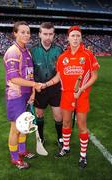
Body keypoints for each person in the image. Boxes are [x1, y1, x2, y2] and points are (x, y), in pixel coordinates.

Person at [43, 26, 100, 168]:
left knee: (81, 125)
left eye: (77, 36)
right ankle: (66, 148)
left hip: (82, 95)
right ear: (68, 38)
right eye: (72, 36)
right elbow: (58, 76)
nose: (75, 38)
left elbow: (94, 76)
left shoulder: (87, 55)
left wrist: (82, 89)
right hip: (66, 95)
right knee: (66, 123)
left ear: (81, 38)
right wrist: (46, 84)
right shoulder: (63, 57)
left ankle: (83, 156)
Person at [3, 21, 42, 169]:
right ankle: (15, 158)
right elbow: (14, 78)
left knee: (24, 125)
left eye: (28, 32)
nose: (26, 35)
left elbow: (30, 76)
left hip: (26, 95)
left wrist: (32, 93)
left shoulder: (27, 51)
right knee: (15, 128)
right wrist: (34, 86)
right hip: (16, 96)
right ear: (15, 33)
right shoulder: (13, 51)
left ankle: (22, 150)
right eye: (22, 32)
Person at [30, 22, 63, 148]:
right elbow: (30, 72)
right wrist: (34, 88)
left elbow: (60, 73)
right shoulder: (33, 50)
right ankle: (41, 138)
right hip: (39, 88)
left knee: (58, 115)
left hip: (55, 88)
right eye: (45, 34)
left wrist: (48, 83)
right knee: (39, 114)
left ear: (54, 35)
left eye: (50, 34)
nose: (48, 37)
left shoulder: (59, 50)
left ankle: (60, 138)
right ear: (40, 34)